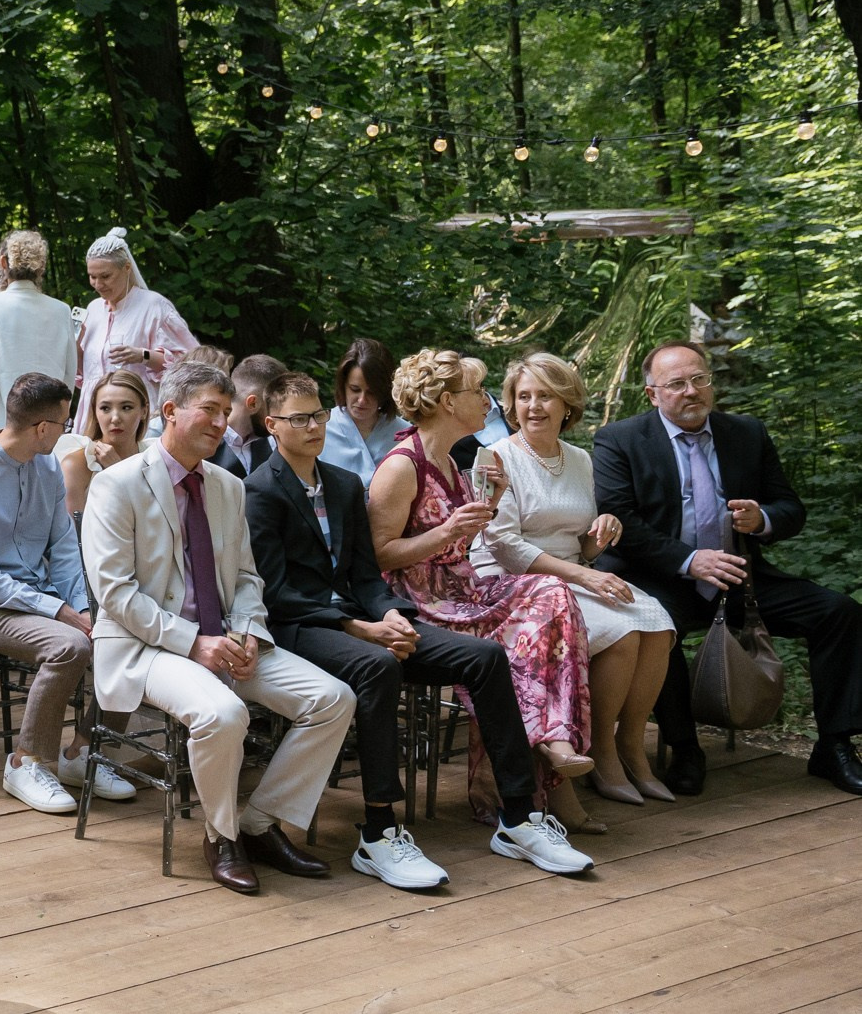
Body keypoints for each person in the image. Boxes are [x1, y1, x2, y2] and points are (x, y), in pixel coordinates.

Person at [243, 372, 589, 887]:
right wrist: (358, 628)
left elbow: (367, 573)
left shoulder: (340, 483)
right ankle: (380, 833)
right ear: (271, 425)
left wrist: (389, 615)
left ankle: (520, 816)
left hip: (365, 618)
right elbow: (275, 593)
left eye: (319, 415)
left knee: (484, 657)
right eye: (299, 419)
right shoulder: (259, 490)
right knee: (378, 666)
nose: (314, 426)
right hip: (301, 625)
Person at [80, 359, 356, 895]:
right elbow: (115, 595)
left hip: (225, 638)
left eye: (225, 412)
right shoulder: (116, 486)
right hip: (148, 646)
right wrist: (194, 642)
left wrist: (250, 632)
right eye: (208, 409)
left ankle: (260, 824)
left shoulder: (228, 486)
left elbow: (249, 576)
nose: (220, 422)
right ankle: (221, 835)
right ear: (169, 412)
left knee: (333, 698)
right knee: (223, 713)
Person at [593, 341, 862, 798]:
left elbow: (790, 507)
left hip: (740, 576)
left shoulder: (746, 433)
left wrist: (763, 519)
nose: (691, 391)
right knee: (657, 626)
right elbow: (622, 522)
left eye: (700, 379)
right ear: (652, 394)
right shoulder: (620, 439)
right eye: (676, 384)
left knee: (838, 612)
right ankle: (685, 749)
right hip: (663, 579)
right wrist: (688, 559)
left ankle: (834, 745)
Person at [368, 348, 601, 832]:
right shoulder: (401, 466)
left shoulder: (453, 464)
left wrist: (487, 505)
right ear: (449, 403)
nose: (489, 403)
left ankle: (554, 737)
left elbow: (459, 544)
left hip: (464, 591)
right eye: (478, 392)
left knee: (552, 592)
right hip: (422, 603)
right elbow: (380, 556)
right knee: (522, 632)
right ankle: (538, 766)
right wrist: (448, 532)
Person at [474, 352, 677, 805]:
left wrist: (600, 536)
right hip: (514, 582)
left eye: (545, 395)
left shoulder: (580, 459)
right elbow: (504, 544)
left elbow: (579, 542)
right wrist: (585, 574)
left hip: (572, 571)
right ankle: (602, 749)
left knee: (657, 623)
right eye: (523, 397)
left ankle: (631, 745)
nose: (534, 406)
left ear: (567, 404)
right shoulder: (496, 458)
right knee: (622, 633)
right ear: (511, 405)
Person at [0, 372, 133, 813]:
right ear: (42, 428)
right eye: (64, 423)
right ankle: (23, 762)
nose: (70, 431)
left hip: (35, 599)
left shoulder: (47, 467)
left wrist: (83, 607)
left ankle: (82, 752)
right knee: (69, 645)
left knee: (124, 638)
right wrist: (62, 612)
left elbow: (64, 549)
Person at [71, 227, 196, 432]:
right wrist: (74, 346)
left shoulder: (154, 306)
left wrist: (143, 355)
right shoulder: (92, 310)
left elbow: (191, 362)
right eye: (92, 276)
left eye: (105, 276)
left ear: (127, 268)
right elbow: (84, 374)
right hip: (94, 417)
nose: (97, 284)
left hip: (137, 415)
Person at [0, 230, 77, 439]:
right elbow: (67, 378)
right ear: (41, 267)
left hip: (1, 429)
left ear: (3, 262)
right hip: (47, 432)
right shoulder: (62, 311)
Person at [59, 369, 153, 516]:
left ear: (144, 411)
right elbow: (74, 535)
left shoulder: (155, 457)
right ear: (95, 413)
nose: (115, 418)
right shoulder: (76, 464)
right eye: (105, 408)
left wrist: (117, 470)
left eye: (126, 407)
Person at [323, 337, 411, 483]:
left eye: (371, 392)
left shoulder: (406, 435)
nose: (362, 400)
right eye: (355, 389)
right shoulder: (320, 429)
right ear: (343, 386)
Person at [215, 354, 283, 475]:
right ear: (253, 404)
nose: (281, 415)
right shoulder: (204, 443)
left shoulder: (273, 447)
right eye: (276, 406)